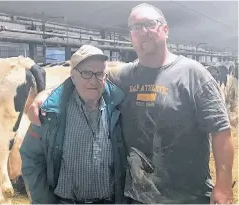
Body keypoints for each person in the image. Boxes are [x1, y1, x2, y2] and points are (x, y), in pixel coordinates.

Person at [27, 3, 234, 204]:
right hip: (136, 196)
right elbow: (85, 80)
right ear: (131, 36)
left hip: (187, 197)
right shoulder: (123, 76)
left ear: (165, 29)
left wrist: (223, 186)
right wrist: (45, 94)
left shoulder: (193, 74)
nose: (143, 31)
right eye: (136, 27)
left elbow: (221, 131)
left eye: (149, 24)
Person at [20, 44, 127, 204]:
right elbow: (31, 157)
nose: (93, 80)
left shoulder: (118, 107)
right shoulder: (50, 113)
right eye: (86, 73)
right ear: (73, 76)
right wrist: (43, 201)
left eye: (99, 74)